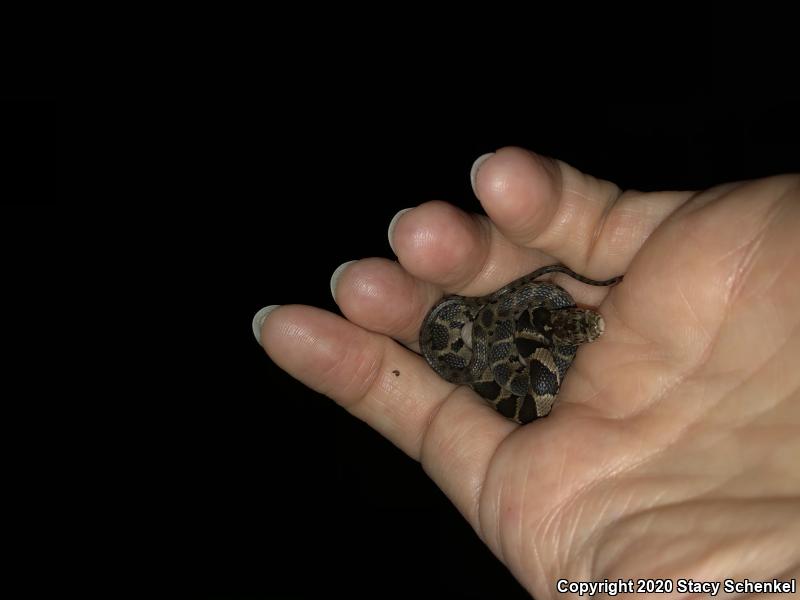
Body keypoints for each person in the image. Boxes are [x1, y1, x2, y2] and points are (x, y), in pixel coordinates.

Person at [252, 147, 800, 598]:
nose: (582, 327)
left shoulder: (533, 334)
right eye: (574, 328)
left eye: (574, 329)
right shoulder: (517, 339)